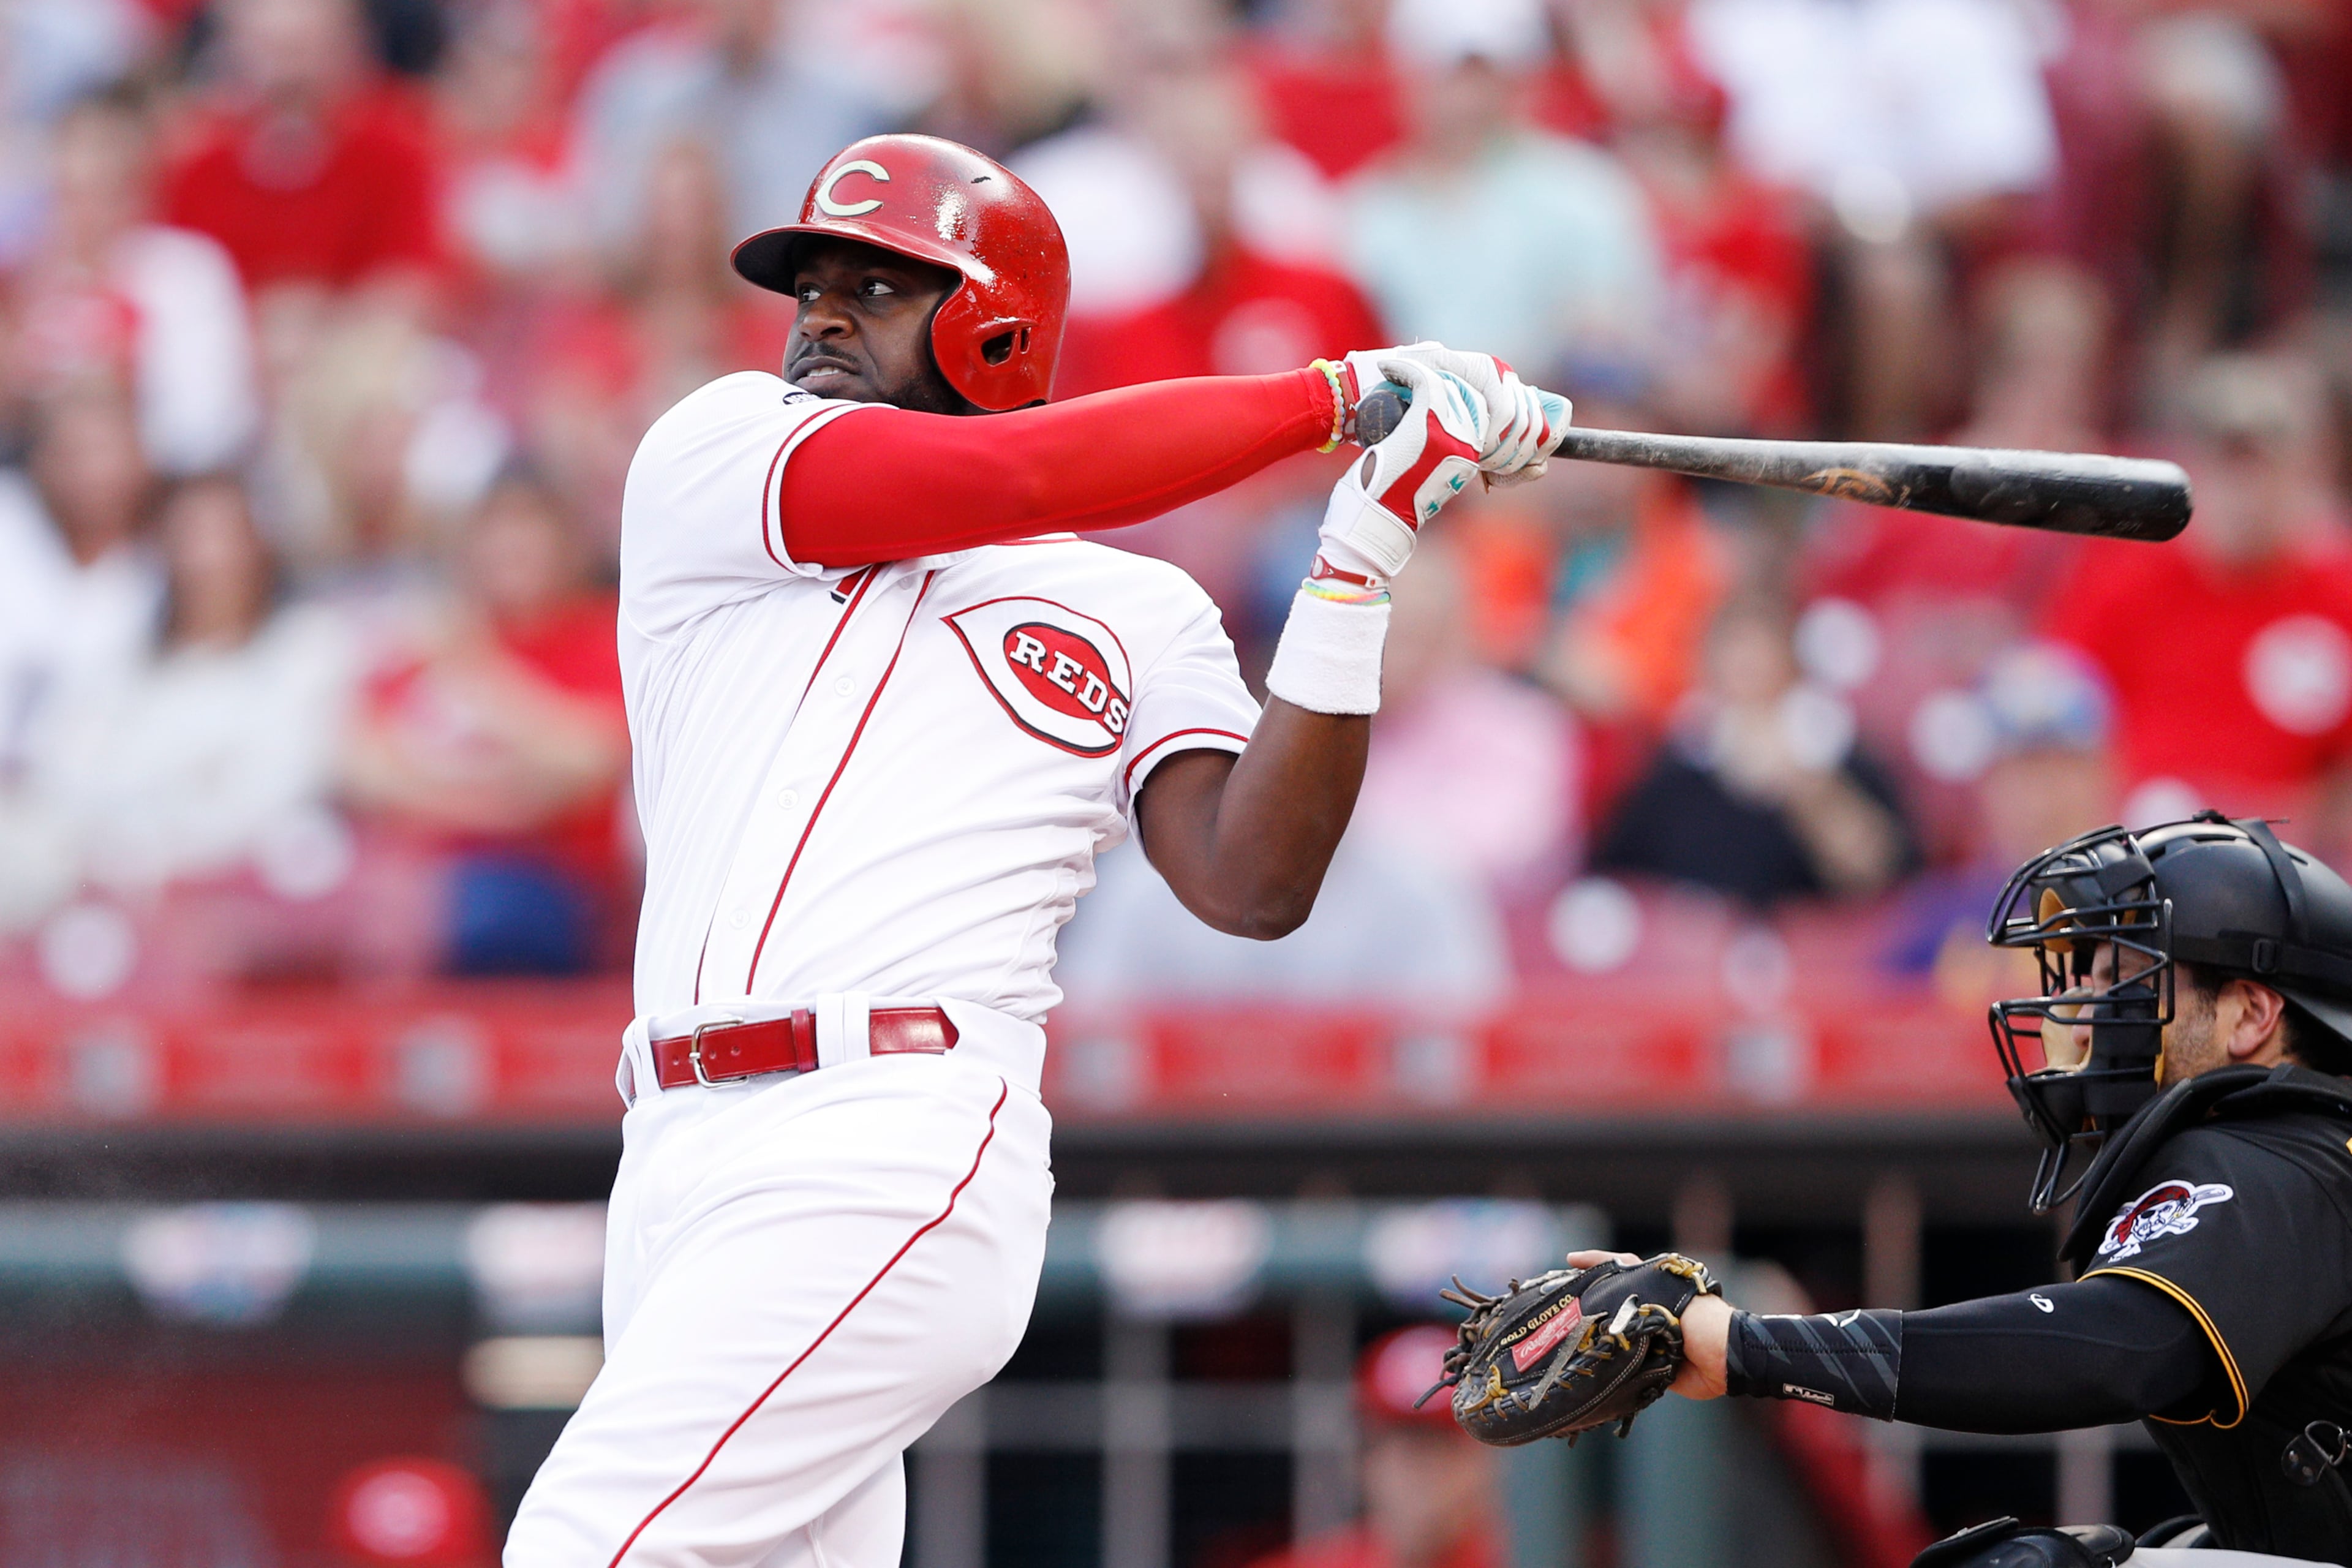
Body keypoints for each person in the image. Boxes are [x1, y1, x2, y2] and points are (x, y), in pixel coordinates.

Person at [501, 132, 1566, 1566]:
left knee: (589, 1540)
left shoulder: (1132, 611)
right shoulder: (715, 454)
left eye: (877, 286)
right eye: (809, 282)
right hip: (676, 1141)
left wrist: (1358, 552)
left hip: (888, 1127)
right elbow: (1005, 476)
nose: (818, 314)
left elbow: (1251, 879)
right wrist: (1331, 395)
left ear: (990, 323)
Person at [1649, 813, 2352, 1564]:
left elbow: (2118, 1346)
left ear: (2250, 1014)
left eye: (2124, 979)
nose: (2080, 1015)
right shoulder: (2299, 1152)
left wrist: (1750, 1346)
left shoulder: (2283, 1155)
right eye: (2086, 979)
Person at [1245, 1325, 1502, 1568]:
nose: (1428, 1476)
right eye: (1410, 1451)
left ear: (1489, 1464)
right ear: (1361, 1461)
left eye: (1447, 1449)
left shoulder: (1531, 1557)